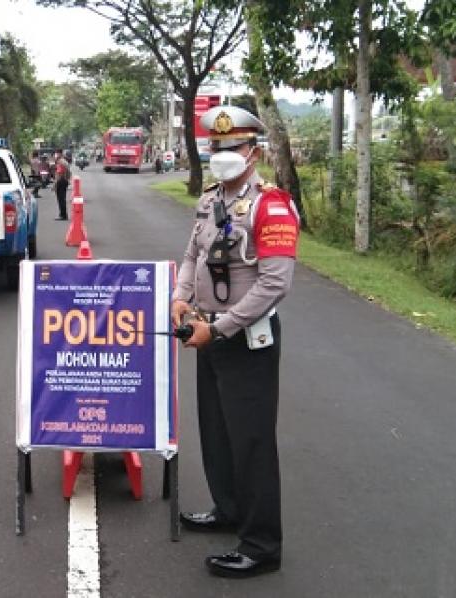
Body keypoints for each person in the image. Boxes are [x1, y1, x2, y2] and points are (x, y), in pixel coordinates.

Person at [171, 105, 300, 578]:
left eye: (232, 148)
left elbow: (273, 285)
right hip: (208, 332)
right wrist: (181, 297)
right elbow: (192, 254)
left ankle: (262, 545)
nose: (222, 155)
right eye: (216, 147)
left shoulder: (273, 205)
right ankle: (229, 510)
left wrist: (219, 329)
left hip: (246, 341)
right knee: (218, 432)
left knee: (251, 441)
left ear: (253, 152)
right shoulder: (209, 200)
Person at [53, 148, 71, 220]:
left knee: (60, 199)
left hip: (61, 181)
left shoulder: (60, 162)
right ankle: (64, 214)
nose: (55, 155)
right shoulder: (64, 161)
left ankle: (63, 215)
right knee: (62, 198)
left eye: (56, 153)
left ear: (59, 153)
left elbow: (59, 174)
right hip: (65, 180)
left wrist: (55, 184)